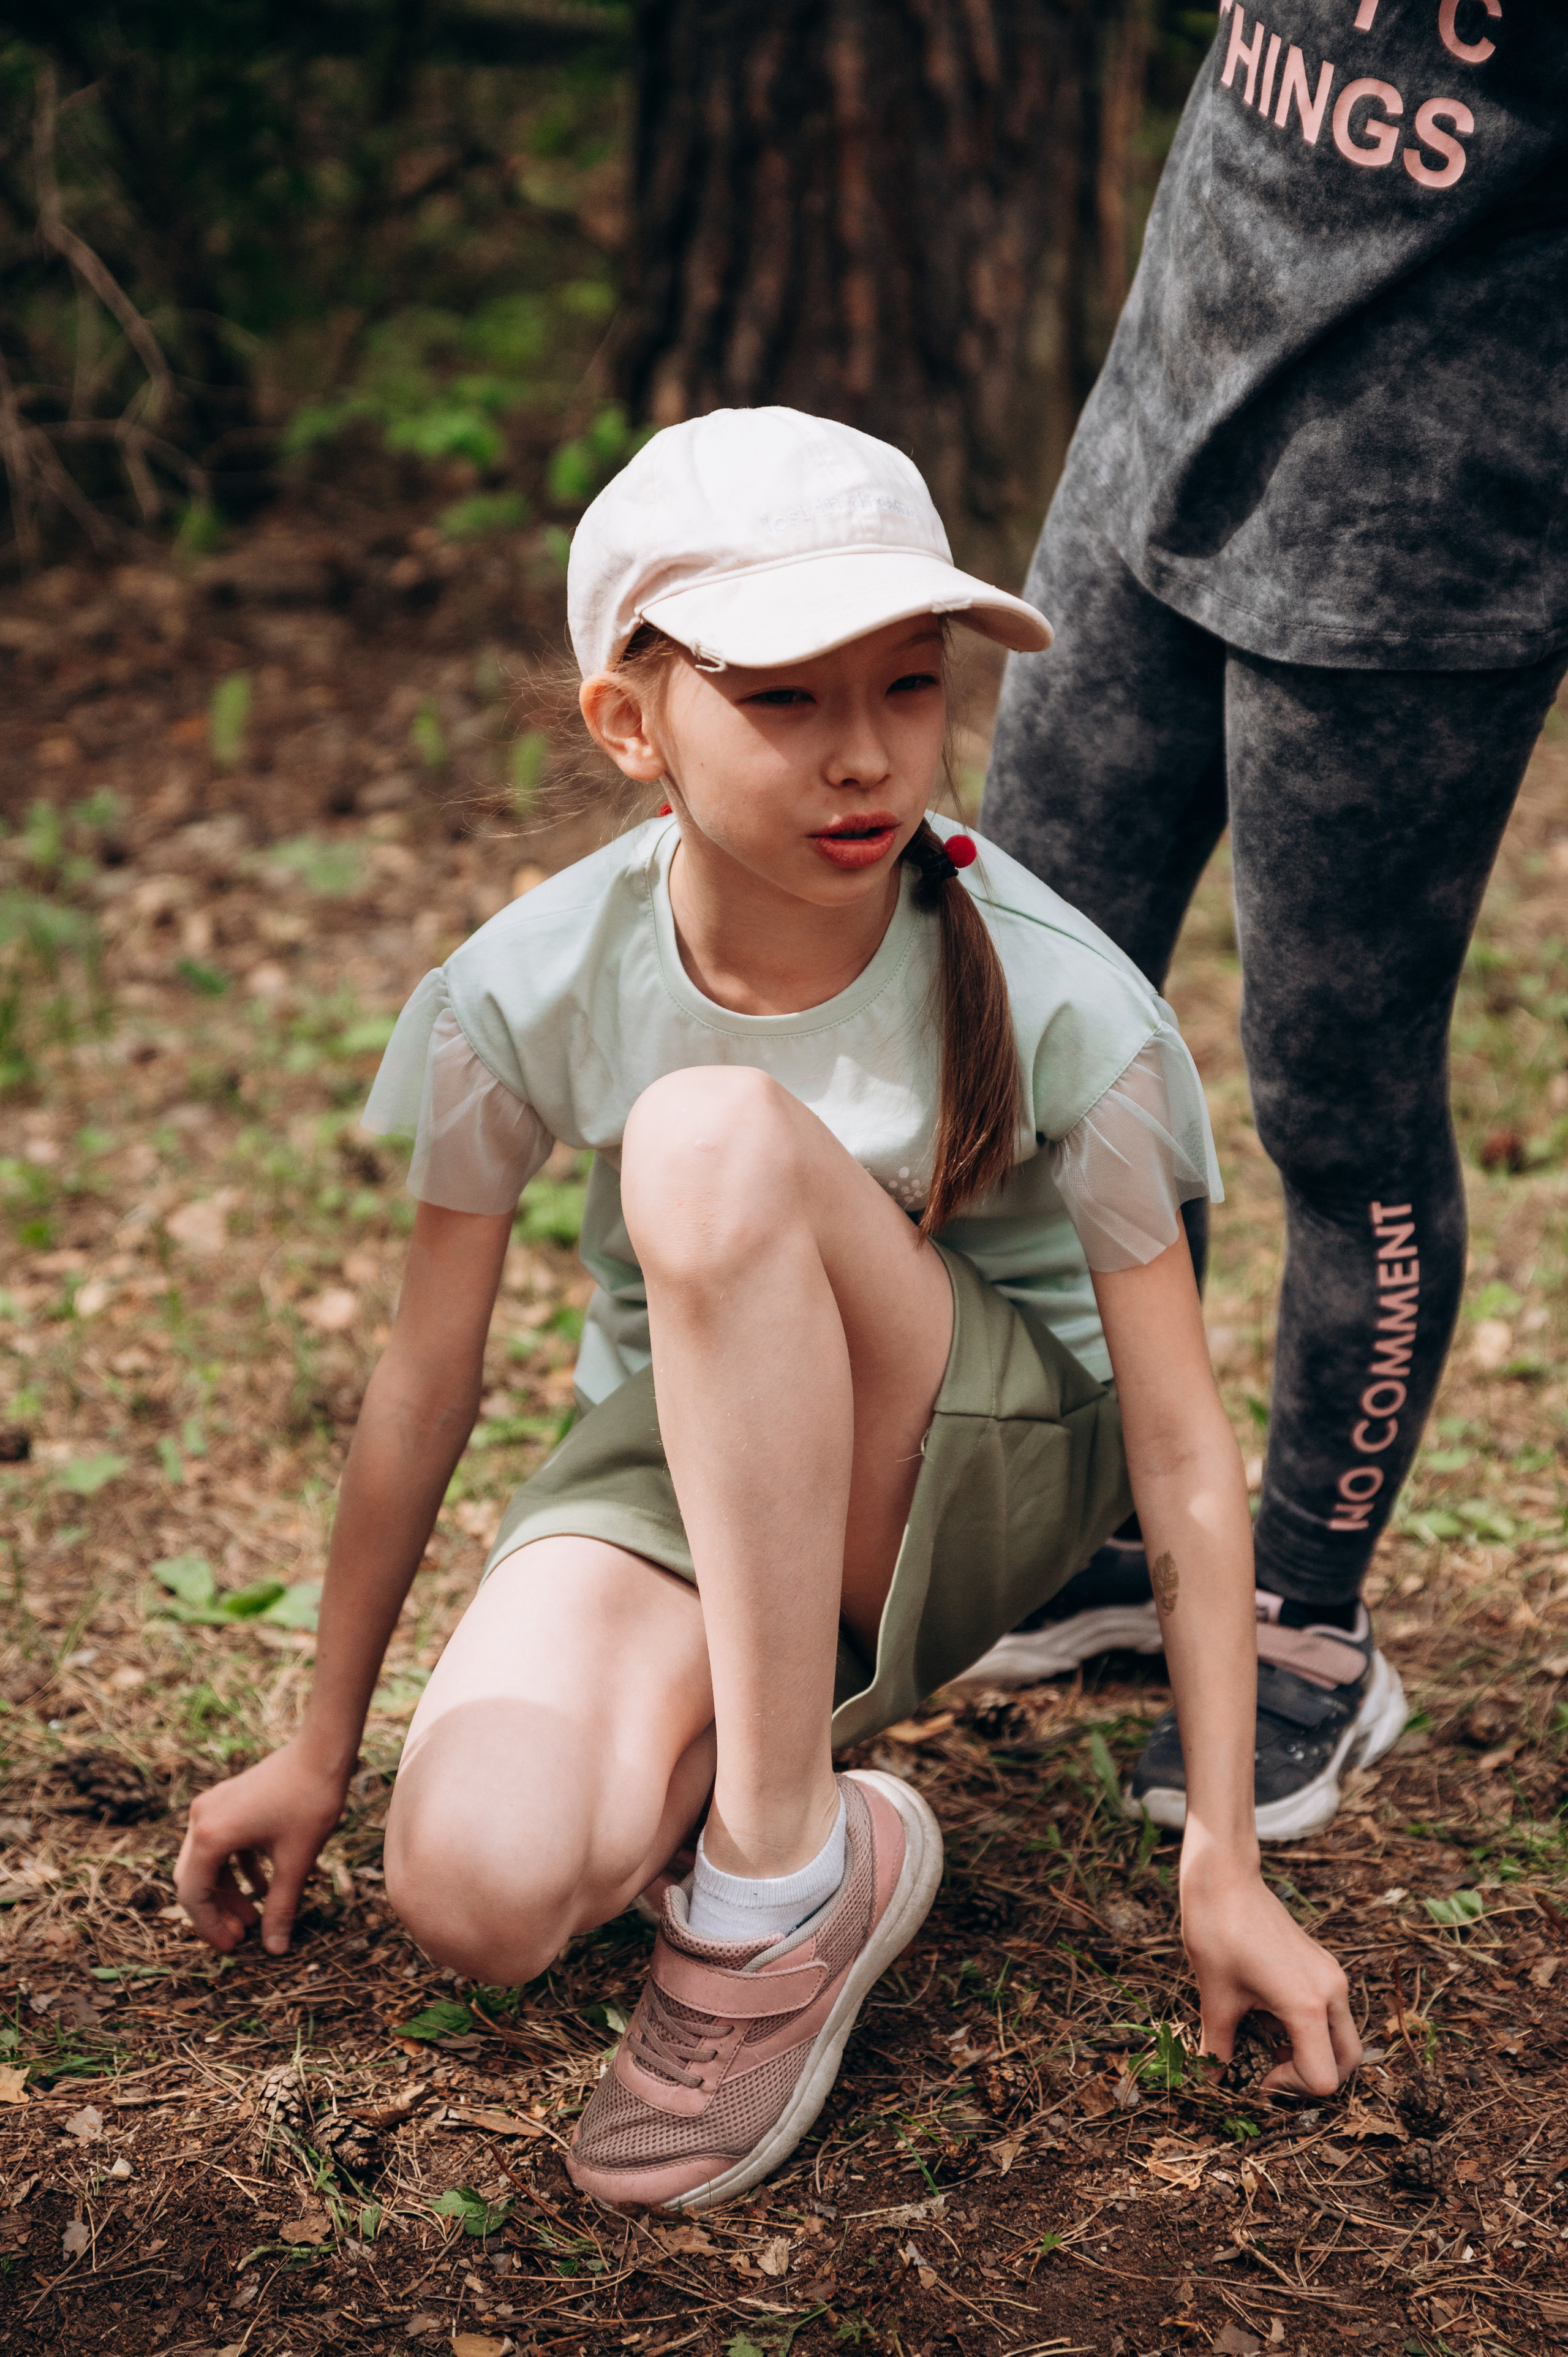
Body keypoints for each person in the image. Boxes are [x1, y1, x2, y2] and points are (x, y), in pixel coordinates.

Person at [173, 407, 1357, 2214]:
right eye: (786, 700)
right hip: (690, 1463)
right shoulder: (530, 983)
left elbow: (1187, 1454)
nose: (866, 756)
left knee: (708, 1139)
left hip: (977, 1461)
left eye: (906, 686)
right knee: (477, 1896)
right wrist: (321, 1747)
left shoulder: (1058, 996)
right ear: (633, 725)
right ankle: (838, 1818)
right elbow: (424, 1386)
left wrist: (1224, 1861)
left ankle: (776, 1868)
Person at [968, 0, 1568, 1842]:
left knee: (1332, 1093)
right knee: (1021, 996)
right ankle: (1115, 1534)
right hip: (1163, 410)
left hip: (1421, 523)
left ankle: (1306, 1613)